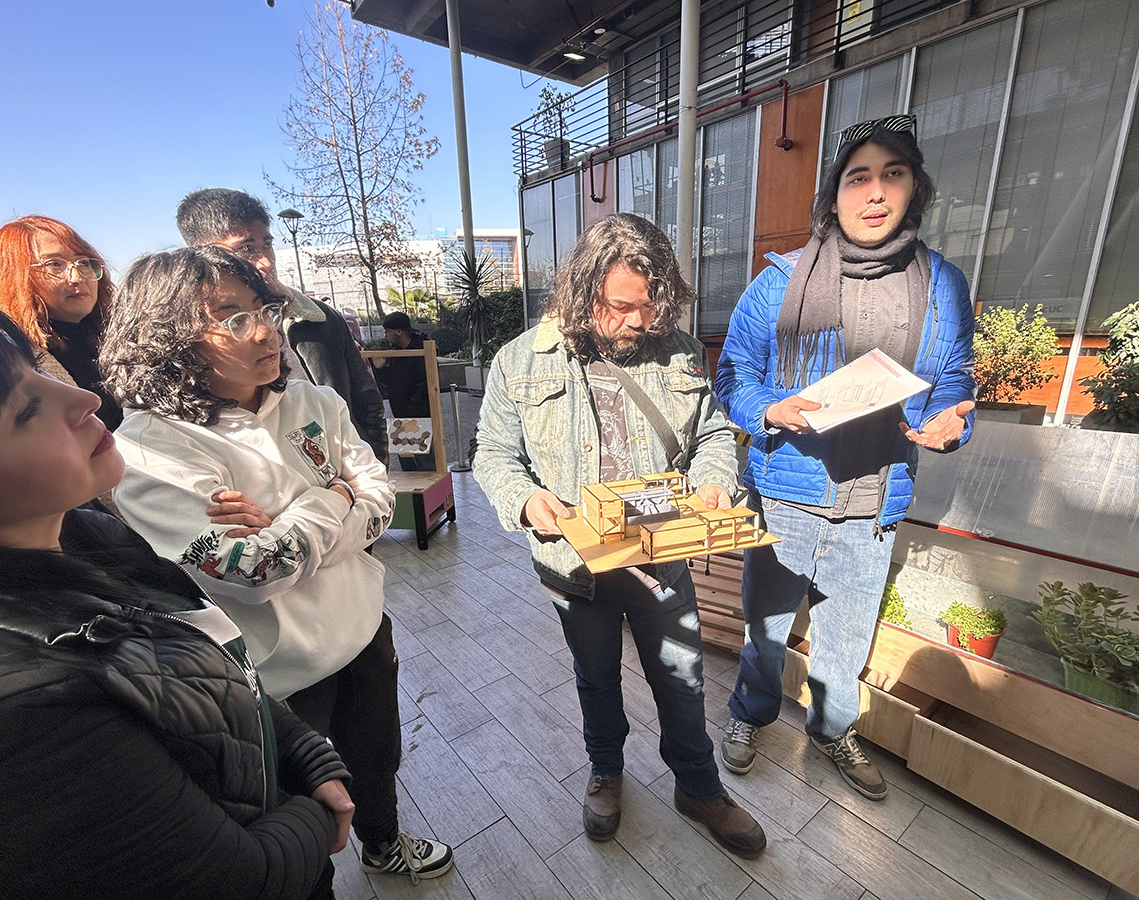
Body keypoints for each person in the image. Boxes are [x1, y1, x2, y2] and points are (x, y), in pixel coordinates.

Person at [0, 293, 352, 900]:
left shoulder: (95, 538)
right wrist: (334, 497)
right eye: (26, 409)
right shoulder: (16, 701)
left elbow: (210, 662)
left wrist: (304, 752)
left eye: (39, 370)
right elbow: (237, 876)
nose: (85, 398)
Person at [101, 247, 453, 880]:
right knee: (300, 809)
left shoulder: (315, 402)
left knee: (376, 759)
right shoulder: (152, 450)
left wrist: (289, 521)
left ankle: (383, 843)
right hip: (275, 675)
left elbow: (379, 500)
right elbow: (255, 573)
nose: (264, 331)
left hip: (363, 626)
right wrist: (333, 496)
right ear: (167, 335)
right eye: (231, 318)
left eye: (262, 309)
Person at [472, 213, 766, 858]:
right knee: (596, 675)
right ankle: (607, 772)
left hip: (662, 555)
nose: (639, 321)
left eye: (651, 306)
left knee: (683, 677)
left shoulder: (680, 350)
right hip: (574, 564)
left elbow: (713, 433)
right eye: (622, 306)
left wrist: (713, 480)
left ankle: (699, 787)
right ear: (583, 291)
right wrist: (524, 499)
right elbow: (492, 452)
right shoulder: (519, 360)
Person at [714, 114, 976, 800]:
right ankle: (750, 713)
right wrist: (770, 410)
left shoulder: (943, 286)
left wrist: (952, 420)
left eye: (893, 174)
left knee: (847, 636)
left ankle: (832, 730)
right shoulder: (779, 283)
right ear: (833, 195)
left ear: (914, 188)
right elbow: (733, 377)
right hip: (786, 493)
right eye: (858, 177)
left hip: (875, 496)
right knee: (765, 627)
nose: (875, 192)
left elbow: (953, 377)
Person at [175, 188, 390, 465]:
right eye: (246, 249)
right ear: (203, 254)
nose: (265, 261)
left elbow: (367, 403)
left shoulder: (320, 318)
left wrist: (375, 471)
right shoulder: (190, 337)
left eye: (267, 244)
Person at [0, 215, 123, 429]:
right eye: (54, 264)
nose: (76, 277)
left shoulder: (117, 340)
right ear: (15, 275)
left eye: (84, 262)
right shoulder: (7, 359)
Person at [373, 311, 435, 471]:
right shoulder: (396, 353)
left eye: (387, 331)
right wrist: (380, 368)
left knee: (426, 466)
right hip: (402, 418)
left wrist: (411, 410)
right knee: (408, 468)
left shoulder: (421, 351)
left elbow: (425, 386)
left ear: (399, 331)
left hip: (419, 417)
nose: (386, 335)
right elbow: (389, 385)